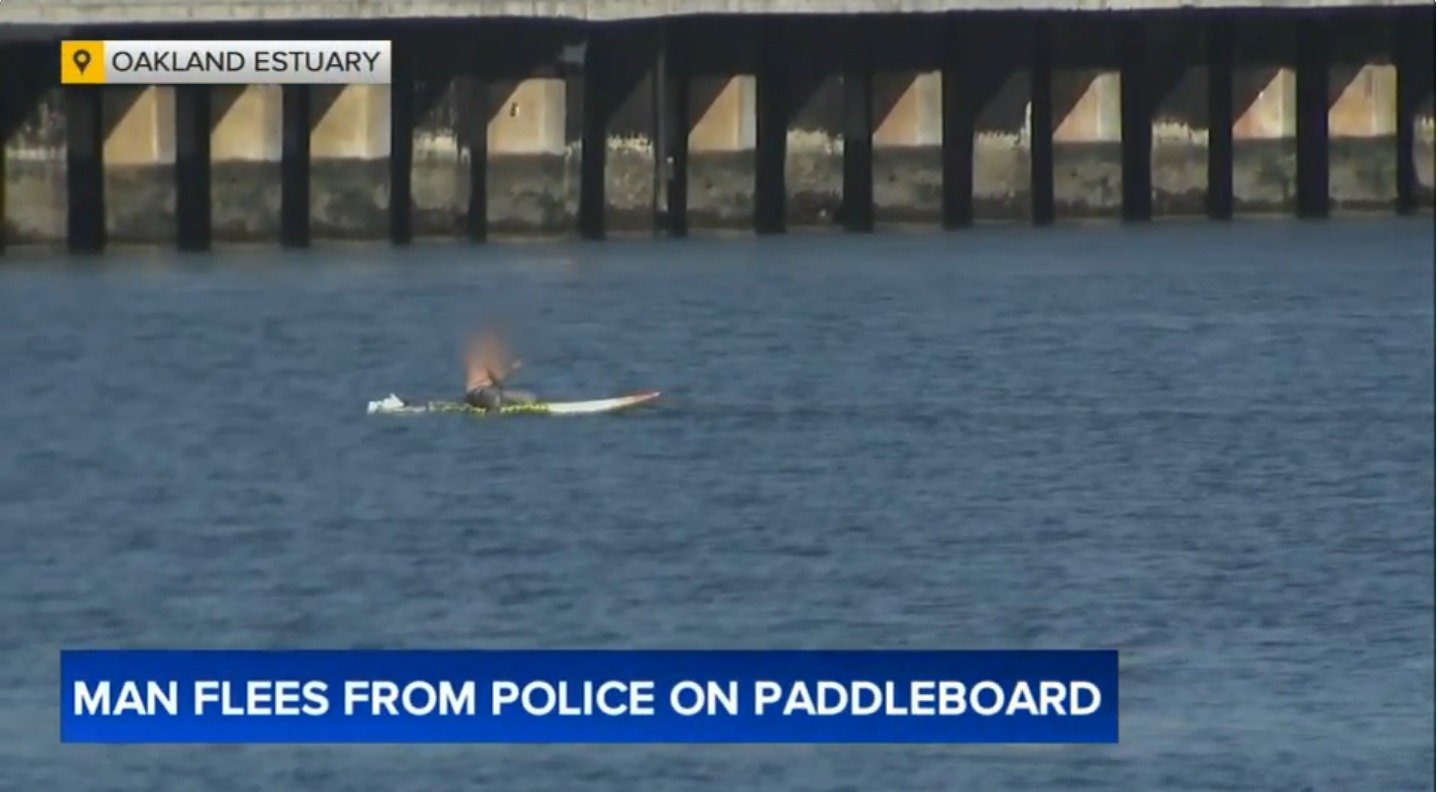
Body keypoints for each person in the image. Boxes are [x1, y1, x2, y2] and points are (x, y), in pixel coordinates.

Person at [464, 327, 537, 411]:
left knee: (510, 396)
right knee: (528, 398)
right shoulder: (486, 357)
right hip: (482, 394)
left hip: (472, 395)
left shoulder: (477, 356)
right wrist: (513, 369)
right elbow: (497, 378)